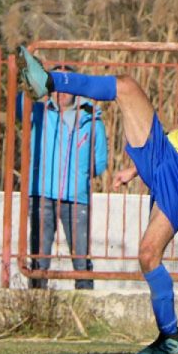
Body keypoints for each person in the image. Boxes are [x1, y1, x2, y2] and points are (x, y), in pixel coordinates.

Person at [17, 22, 178, 354]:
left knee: (148, 254)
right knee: (125, 85)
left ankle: (170, 338)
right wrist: (135, 168)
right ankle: (49, 80)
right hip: (165, 154)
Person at [23, 66, 108, 290]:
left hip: (76, 198)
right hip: (41, 195)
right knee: (39, 257)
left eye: (65, 85)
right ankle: (36, 303)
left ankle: (85, 302)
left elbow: (99, 162)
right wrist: (34, 85)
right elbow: (16, 104)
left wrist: (78, 176)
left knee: (81, 258)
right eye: (55, 85)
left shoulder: (92, 119)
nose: (61, 92)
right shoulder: (38, 112)